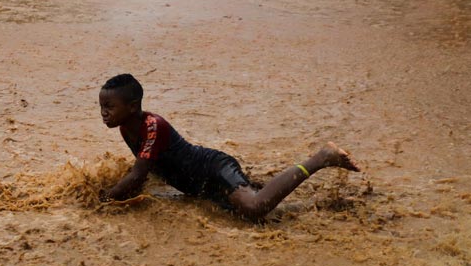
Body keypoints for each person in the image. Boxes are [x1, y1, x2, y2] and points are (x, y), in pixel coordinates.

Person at [97, 74, 361, 220]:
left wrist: (104, 201)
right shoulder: (126, 128)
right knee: (266, 214)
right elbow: (150, 170)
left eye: (109, 107)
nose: (104, 113)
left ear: (132, 107)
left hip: (213, 168)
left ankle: (321, 158)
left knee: (254, 209)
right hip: (200, 186)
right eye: (101, 107)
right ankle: (327, 202)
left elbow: (138, 173)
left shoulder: (153, 125)